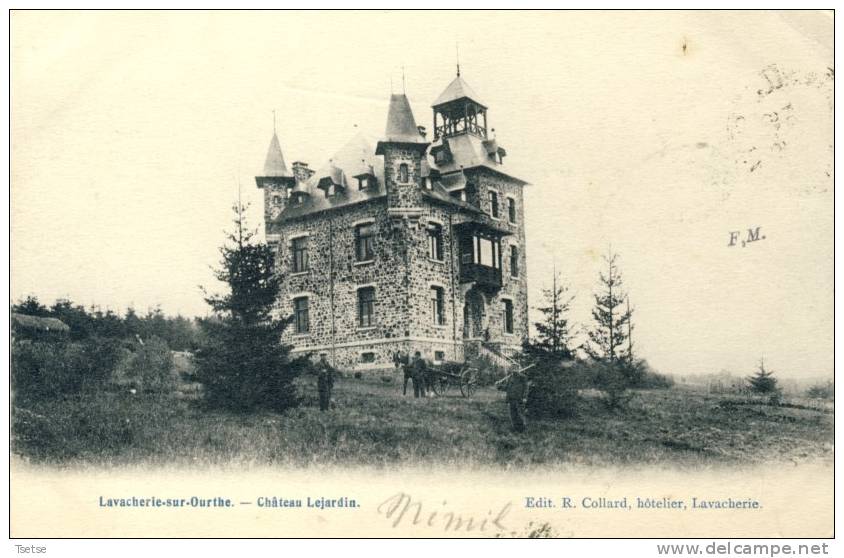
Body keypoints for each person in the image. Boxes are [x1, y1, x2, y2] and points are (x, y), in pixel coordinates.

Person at [501, 366, 530, 433]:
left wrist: (524, 397)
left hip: (519, 399)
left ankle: (523, 429)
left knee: (520, 414)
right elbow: (506, 387)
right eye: (512, 369)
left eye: (515, 369)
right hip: (511, 399)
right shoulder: (511, 377)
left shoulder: (522, 377)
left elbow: (526, 388)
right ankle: (515, 428)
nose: (514, 370)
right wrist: (499, 386)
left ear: (518, 369)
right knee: (513, 415)